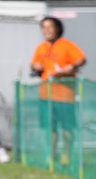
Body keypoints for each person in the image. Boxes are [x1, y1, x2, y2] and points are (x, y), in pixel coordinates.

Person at [30, 16, 86, 166]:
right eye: (44, 27)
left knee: (67, 127)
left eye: (50, 27)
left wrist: (72, 67)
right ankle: (52, 155)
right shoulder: (41, 47)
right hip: (45, 95)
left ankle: (67, 155)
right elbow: (33, 63)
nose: (47, 31)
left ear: (58, 29)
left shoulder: (66, 45)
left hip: (65, 95)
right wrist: (35, 66)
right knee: (50, 127)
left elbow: (81, 59)